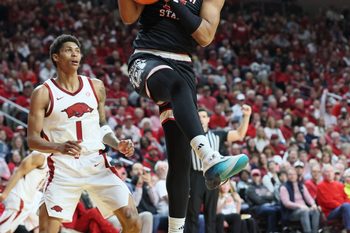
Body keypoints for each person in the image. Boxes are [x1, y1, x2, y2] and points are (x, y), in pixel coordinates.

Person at [118, 1, 249, 232]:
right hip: (148, 57)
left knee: (181, 160)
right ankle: (209, 157)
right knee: (175, 85)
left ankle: (176, 230)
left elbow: (206, 36)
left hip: (183, 65)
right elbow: (128, 17)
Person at [26, 34, 141, 233]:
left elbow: (102, 125)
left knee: (132, 219)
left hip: (96, 163)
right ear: (55, 57)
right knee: (47, 229)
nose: (75, 54)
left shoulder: (96, 86)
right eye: (69, 50)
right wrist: (58, 147)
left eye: (78, 51)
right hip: (63, 167)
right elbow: (32, 140)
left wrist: (116, 143)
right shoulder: (43, 93)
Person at [185, 106, 251, 233]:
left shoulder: (217, 134)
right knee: (192, 215)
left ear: (208, 119)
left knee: (211, 215)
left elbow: (239, 134)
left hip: (213, 175)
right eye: (198, 117)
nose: (201, 119)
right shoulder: (187, 135)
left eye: (204, 116)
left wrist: (246, 116)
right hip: (194, 177)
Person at [0, 150, 49, 233]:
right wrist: (5, 194)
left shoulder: (52, 160)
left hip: (26, 201)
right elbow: (19, 172)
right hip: (20, 198)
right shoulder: (41, 155)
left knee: (8, 230)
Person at [280, 168, 320, 233]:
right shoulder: (284, 187)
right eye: (290, 174)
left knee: (315, 210)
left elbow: (308, 198)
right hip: (291, 212)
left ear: (296, 176)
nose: (292, 176)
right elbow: (286, 203)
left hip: (304, 209)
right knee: (304, 211)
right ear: (287, 176)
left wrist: (313, 204)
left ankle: (315, 231)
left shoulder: (301, 186)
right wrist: (300, 206)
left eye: (294, 174)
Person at [316, 164, 350, 232]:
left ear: (334, 173)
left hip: (343, 208)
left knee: (346, 206)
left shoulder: (340, 185)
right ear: (323, 174)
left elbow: (346, 197)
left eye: (331, 171)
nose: (329, 174)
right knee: (346, 206)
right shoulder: (320, 186)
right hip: (330, 212)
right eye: (327, 172)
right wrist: (342, 206)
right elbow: (327, 202)